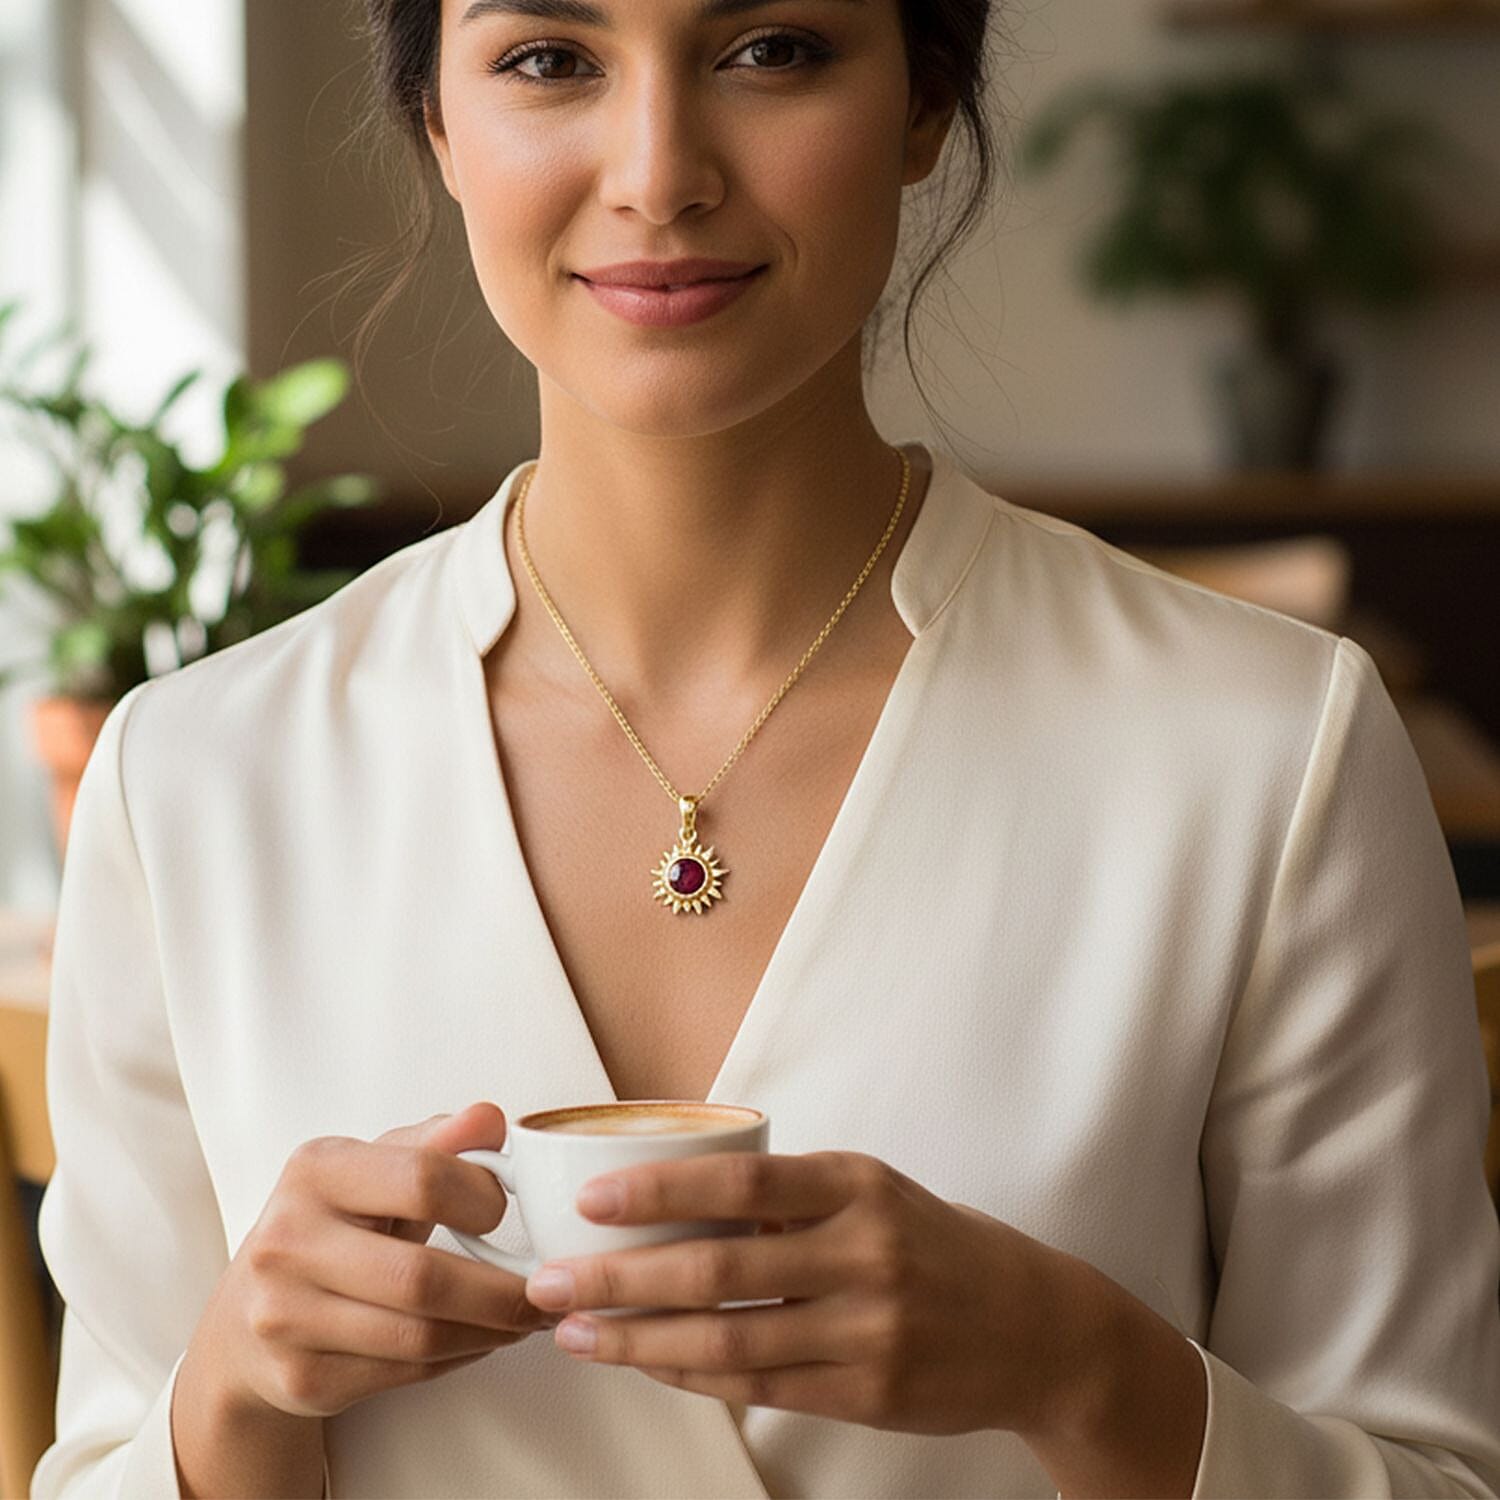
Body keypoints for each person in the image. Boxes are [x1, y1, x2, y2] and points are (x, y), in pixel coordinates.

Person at [31, 0, 1500, 1495]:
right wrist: (232, 1406)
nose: (660, 174)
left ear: (925, 105)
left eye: (772, 50)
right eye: (550, 60)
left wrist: (1083, 1369)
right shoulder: (193, 782)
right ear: (439, 128)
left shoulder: (1269, 751)